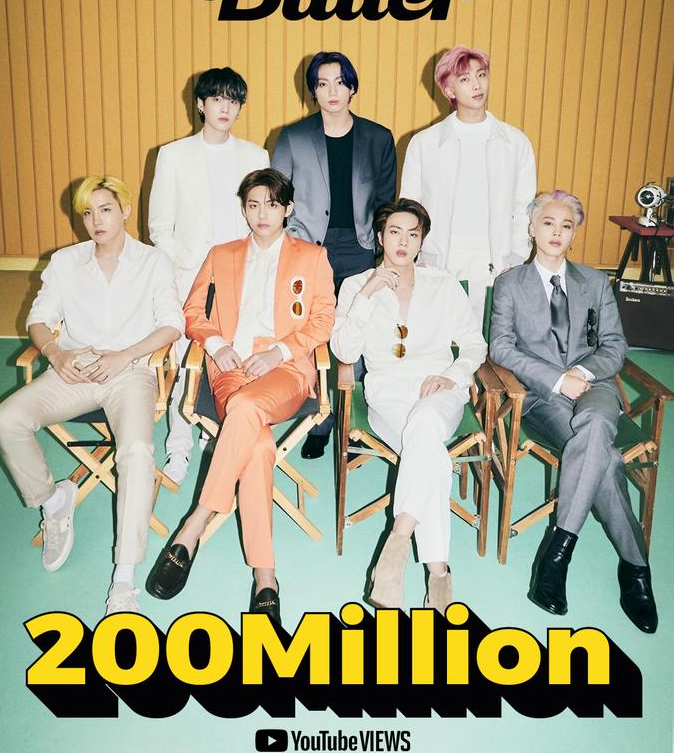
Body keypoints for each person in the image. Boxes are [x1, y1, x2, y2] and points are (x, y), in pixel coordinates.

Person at [146, 169, 335, 623]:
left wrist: (278, 352)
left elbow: (323, 320)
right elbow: (192, 311)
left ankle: (194, 524)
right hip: (229, 367)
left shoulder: (313, 257)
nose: (262, 213)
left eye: (272, 204)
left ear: (288, 209)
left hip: (285, 369)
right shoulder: (222, 254)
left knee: (248, 409)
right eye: (253, 205)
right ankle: (265, 577)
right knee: (259, 444)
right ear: (244, 210)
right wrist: (216, 345)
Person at [0, 177, 184, 614]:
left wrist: (125, 356)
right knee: (5, 420)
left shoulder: (153, 262)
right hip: (74, 370)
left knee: (137, 450)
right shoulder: (65, 262)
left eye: (105, 209)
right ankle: (53, 500)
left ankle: (124, 578)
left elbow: (172, 324)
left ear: (126, 211)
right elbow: (39, 319)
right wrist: (56, 354)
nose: (96, 220)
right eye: (88, 212)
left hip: (129, 373)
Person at [489, 190, 658, 633]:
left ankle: (557, 553)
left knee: (597, 421)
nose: (557, 233)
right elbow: (501, 347)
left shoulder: (595, 282)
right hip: (542, 398)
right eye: (548, 223)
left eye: (566, 226)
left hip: (594, 386)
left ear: (574, 233)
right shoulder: (510, 284)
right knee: (606, 458)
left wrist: (581, 371)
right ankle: (636, 568)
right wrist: (556, 378)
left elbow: (615, 346)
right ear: (532, 228)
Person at [330, 198, 486, 613]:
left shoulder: (443, 284)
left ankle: (396, 549)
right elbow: (344, 351)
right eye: (395, 232)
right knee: (430, 451)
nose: (403, 242)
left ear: (422, 241)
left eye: (412, 234)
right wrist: (368, 294)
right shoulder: (355, 286)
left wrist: (452, 375)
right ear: (380, 237)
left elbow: (475, 344)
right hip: (387, 393)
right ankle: (438, 574)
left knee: (426, 424)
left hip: (440, 388)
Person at [273, 50, 397, 458]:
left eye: (340, 83)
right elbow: (279, 198)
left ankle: (353, 422)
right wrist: (294, 246)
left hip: (360, 248)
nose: (332, 91)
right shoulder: (293, 137)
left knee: (358, 331)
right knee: (317, 333)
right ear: (312, 90)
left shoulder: (378, 137)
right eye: (323, 83)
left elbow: (385, 202)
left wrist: (381, 253)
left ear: (352, 88)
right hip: (311, 249)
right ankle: (320, 420)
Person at [149, 67, 269, 484]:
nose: (225, 108)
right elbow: (159, 227)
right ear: (200, 104)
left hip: (242, 276)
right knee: (188, 362)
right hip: (190, 276)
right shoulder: (173, 155)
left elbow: (263, 221)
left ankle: (218, 434)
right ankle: (178, 448)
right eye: (216, 99)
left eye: (233, 101)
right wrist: (183, 270)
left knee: (233, 356)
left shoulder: (256, 157)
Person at [400, 45, 536, 327]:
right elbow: (410, 207)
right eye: (465, 79)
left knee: (490, 340)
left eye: (481, 75)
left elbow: (524, 207)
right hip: (439, 260)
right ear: (449, 90)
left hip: (496, 262)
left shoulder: (516, 142)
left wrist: (516, 257)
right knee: (438, 338)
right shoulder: (424, 143)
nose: (477, 85)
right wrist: (417, 257)